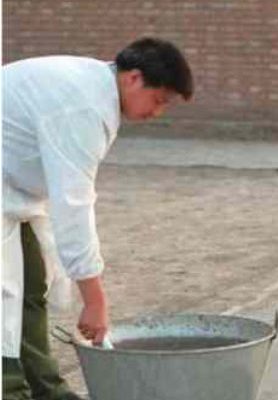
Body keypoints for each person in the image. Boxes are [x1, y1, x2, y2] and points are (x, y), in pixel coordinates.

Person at [2, 37, 193, 400]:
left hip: (10, 193)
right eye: (159, 100)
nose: (157, 113)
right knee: (3, 292)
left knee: (28, 283)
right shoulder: (83, 107)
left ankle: (45, 388)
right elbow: (72, 206)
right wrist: (95, 300)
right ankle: (9, 390)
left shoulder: (95, 87)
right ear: (134, 78)